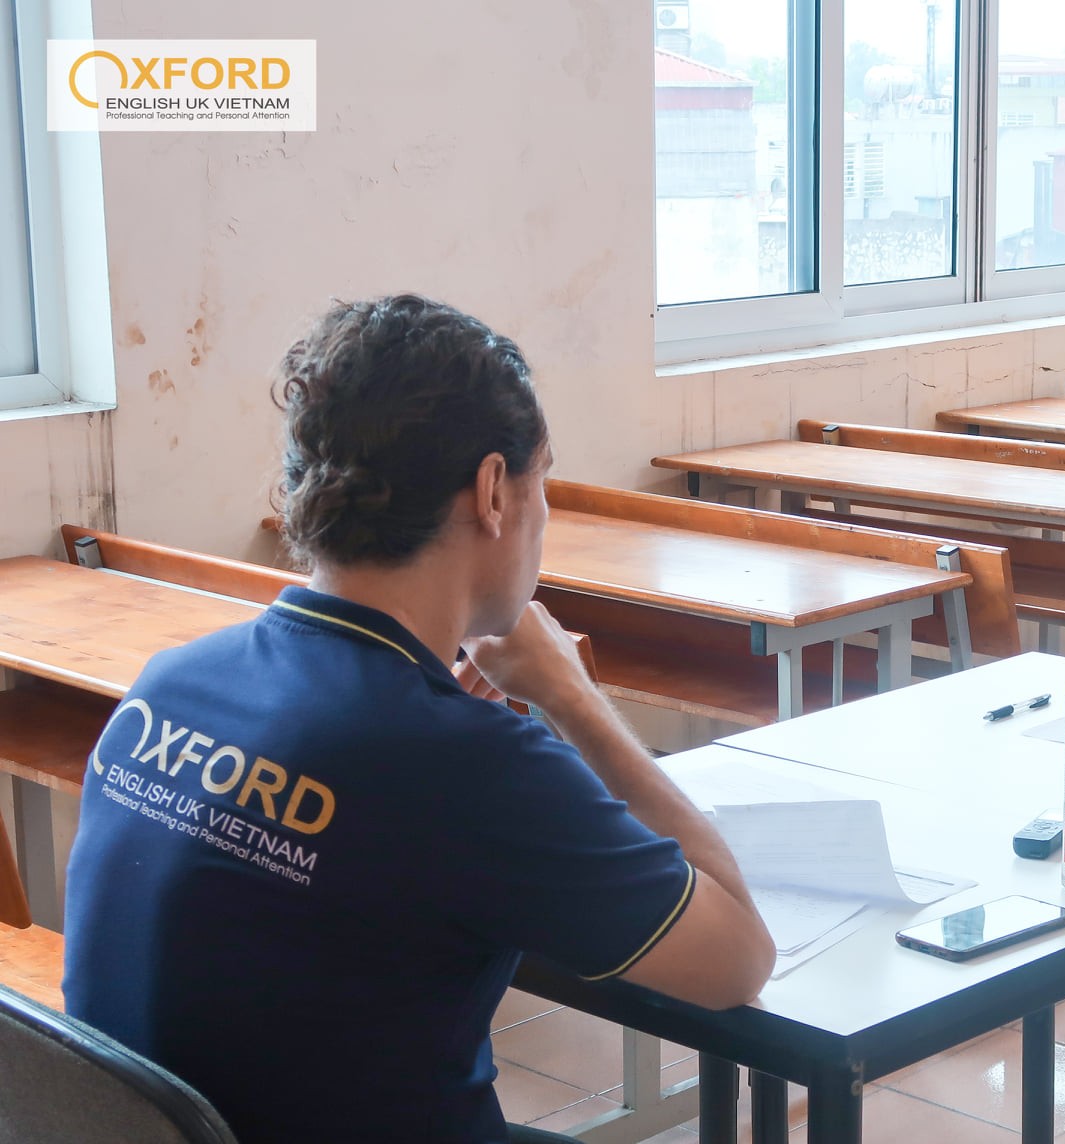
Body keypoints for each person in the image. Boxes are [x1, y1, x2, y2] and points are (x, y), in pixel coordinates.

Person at [61, 295, 775, 1144]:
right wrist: (573, 697)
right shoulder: (467, 763)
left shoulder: (170, 684)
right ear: (493, 491)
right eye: (542, 479)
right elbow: (737, 959)